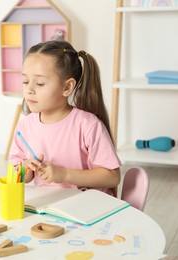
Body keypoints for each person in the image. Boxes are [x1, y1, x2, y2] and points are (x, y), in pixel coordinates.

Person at [9, 40, 121, 195]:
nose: (29, 89)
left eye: (40, 83)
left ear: (67, 87)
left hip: (88, 208)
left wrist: (64, 175)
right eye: (25, 81)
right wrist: (25, 169)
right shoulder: (25, 126)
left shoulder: (88, 125)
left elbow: (112, 177)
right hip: (49, 207)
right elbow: (16, 173)